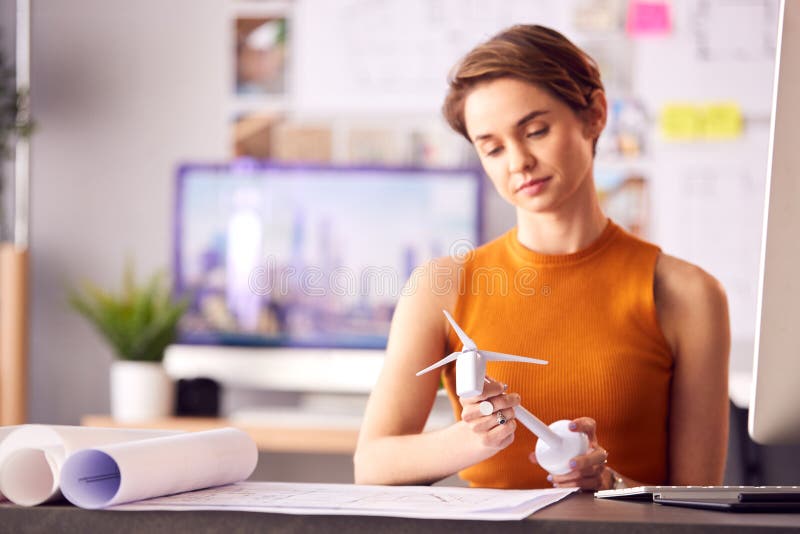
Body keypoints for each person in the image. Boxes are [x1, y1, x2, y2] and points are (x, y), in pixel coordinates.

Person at [353, 24, 730, 490]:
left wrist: (610, 485)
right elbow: (372, 464)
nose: (517, 162)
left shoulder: (686, 294)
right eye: (492, 148)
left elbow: (699, 504)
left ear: (594, 115)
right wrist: (473, 440)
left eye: (535, 131)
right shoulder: (441, 288)